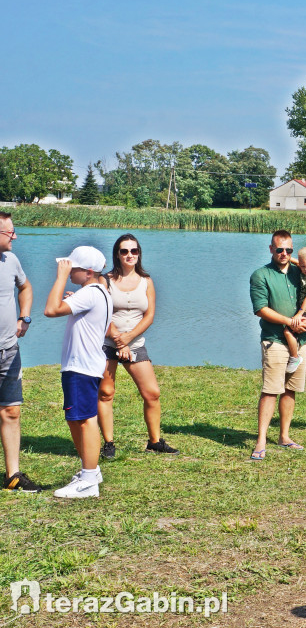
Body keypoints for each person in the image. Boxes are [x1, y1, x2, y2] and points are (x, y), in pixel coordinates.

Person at [97, 234, 178, 459]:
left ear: (139, 253)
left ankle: (154, 442)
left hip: (135, 344)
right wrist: (117, 340)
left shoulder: (147, 281)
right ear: (117, 254)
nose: (129, 255)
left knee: (152, 393)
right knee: (105, 393)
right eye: (124, 251)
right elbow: (100, 312)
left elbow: (149, 315)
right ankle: (109, 443)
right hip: (106, 343)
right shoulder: (105, 280)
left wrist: (128, 339)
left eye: (134, 251)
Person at [248, 230, 306, 460]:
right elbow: (260, 309)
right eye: (279, 249)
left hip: (301, 339)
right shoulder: (260, 275)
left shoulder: (301, 271)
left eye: (288, 250)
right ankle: (261, 440)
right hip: (274, 339)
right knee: (271, 390)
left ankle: (284, 436)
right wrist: (290, 322)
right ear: (270, 249)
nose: (284, 253)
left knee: (290, 389)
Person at [44, 246, 113, 498]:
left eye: (73, 268)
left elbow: (50, 310)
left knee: (85, 420)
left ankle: (88, 479)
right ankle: (90, 472)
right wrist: (75, 295)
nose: (69, 270)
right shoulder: (98, 292)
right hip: (85, 365)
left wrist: (60, 278)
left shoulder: (91, 293)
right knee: (77, 418)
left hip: (81, 366)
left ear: (89, 272)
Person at [0, 212, 39, 493]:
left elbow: (24, 287)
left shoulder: (11, 261)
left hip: (8, 350)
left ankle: (12, 475)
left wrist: (24, 317)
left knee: (11, 410)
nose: (15, 236)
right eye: (9, 232)